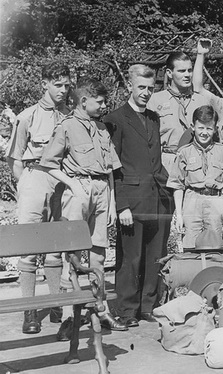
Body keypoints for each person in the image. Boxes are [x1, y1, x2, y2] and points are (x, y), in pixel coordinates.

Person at [40, 78, 127, 332]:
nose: (103, 105)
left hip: (102, 192)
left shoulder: (101, 127)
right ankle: (70, 316)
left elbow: (109, 168)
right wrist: (72, 184)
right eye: (99, 102)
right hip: (79, 191)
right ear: (84, 101)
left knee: (99, 255)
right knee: (73, 256)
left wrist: (111, 204)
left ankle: (101, 310)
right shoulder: (66, 126)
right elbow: (48, 163)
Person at [104, 64, 173, 327]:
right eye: (141, 87)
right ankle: (127, 310)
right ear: (129, 87)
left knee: (155, 254)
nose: (145, 92)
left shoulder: (154, 118)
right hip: (131, 200)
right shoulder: (115, 119)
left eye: (150, 88)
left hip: (158, 196)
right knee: (130, 258)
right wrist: (121, 205)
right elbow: (115, 166)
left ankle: (148, 305)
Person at [6, 61, 71, 334]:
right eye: (58, 85)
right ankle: (29, 311)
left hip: (62, 181)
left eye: (67, 85)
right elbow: (15, 157)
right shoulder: (27, 116)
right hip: (34, 176)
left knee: (56, 245)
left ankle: (55, 304)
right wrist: (28, 184)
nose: (63, 90)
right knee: (30, 246)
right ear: (44, 83)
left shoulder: (69, 115)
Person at [167, 105, 223, 250]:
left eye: (209, 128)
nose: (204, 133)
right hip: (192, 201)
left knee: (215, 245)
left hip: (216, 201)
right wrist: (179, 214)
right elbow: (177, 185)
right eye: (201, 128)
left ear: (215, 129)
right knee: (190, 245)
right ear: (193, 127)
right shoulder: (184, 153)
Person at [147, 52, 209, 174]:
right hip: (167, 164)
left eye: (190, 70)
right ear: (169, 73)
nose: (187, 75)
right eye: (182, 71)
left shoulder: (201, 101)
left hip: (197, 165)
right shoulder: (154, 101)